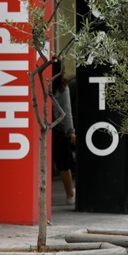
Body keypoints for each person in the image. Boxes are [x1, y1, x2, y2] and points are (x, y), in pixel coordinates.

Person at [52, 64, 77, 207]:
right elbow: (66, 111)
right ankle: (69, 195)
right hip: (59, 130)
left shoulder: (43, 85)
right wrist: (71, 131)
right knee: (64, 165)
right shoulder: (63, 87)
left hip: (44, 129)